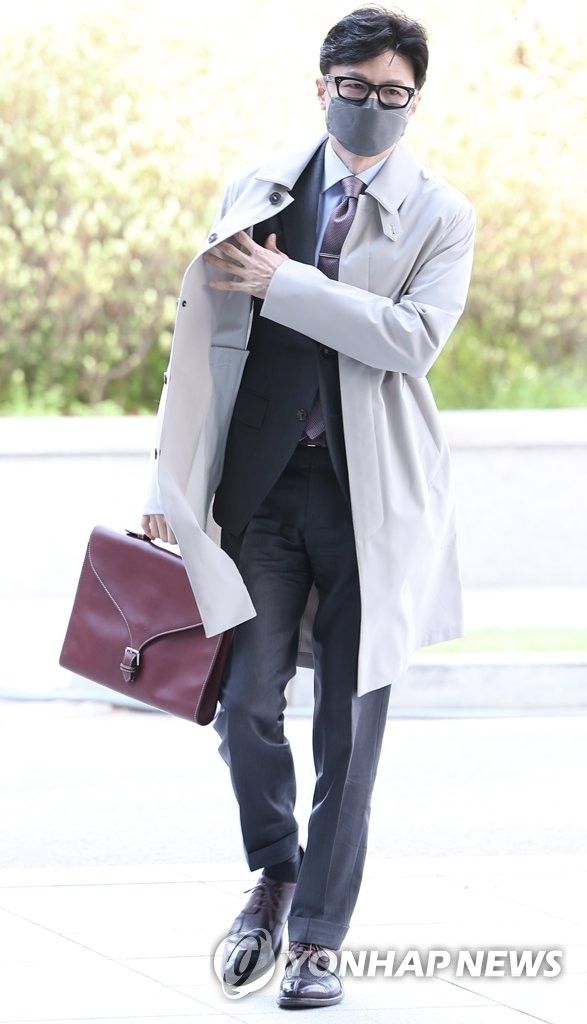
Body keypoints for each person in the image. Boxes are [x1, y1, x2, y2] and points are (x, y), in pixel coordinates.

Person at [141, 5, 476, 1010]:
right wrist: (167, 482)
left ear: (414, 101)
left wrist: (286, 283)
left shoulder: (441, 215)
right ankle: (275, 874)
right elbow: (202, 344)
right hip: (260, 489)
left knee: (350, 723)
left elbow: (411, 340)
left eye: (393, 93)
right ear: (320, 86)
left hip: (370, 499)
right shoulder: (258, 190)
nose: (373, 107)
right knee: (242, 702)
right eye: (356, 88)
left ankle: (320, 939)